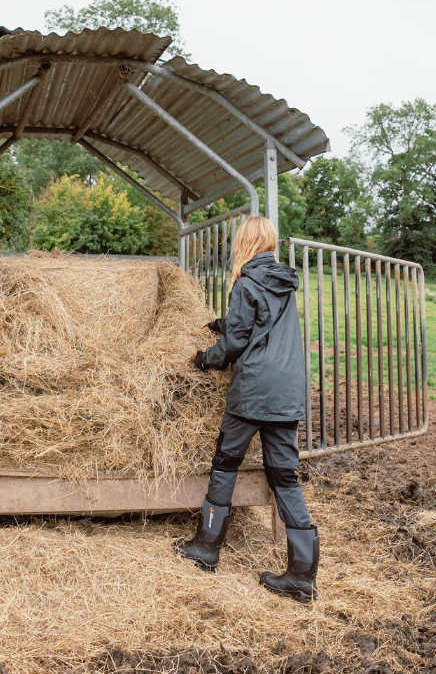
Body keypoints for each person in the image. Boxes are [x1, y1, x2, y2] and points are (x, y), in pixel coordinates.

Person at [174, 215, 319, 604]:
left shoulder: (245, 282)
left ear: (244, 244)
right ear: (269, 243)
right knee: (284, 477)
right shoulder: (285, 281)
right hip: (287, 390)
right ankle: (302, 576)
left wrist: (207, 358)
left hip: (254, 389)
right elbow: (261, 324)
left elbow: (237, 342)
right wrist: (225, 322)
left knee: (226, 461)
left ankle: (206, 547)